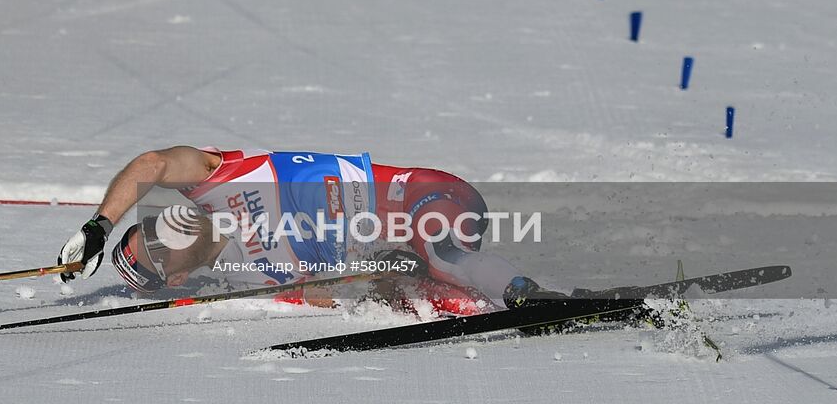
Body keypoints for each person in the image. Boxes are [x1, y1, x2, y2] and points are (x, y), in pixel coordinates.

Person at [56, 145, 553, 311]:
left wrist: (100, 225)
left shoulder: (212, 182)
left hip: (424, 195)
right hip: (407, 248)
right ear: (178, 276)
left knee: (442, 255)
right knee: (422, 292)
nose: (170, 229)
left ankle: (522, 292)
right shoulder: (251, 281)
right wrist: (381, 271)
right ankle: (544, 301)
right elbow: (342, 293)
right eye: (161, 248)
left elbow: (154, 163)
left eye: (153, 225)